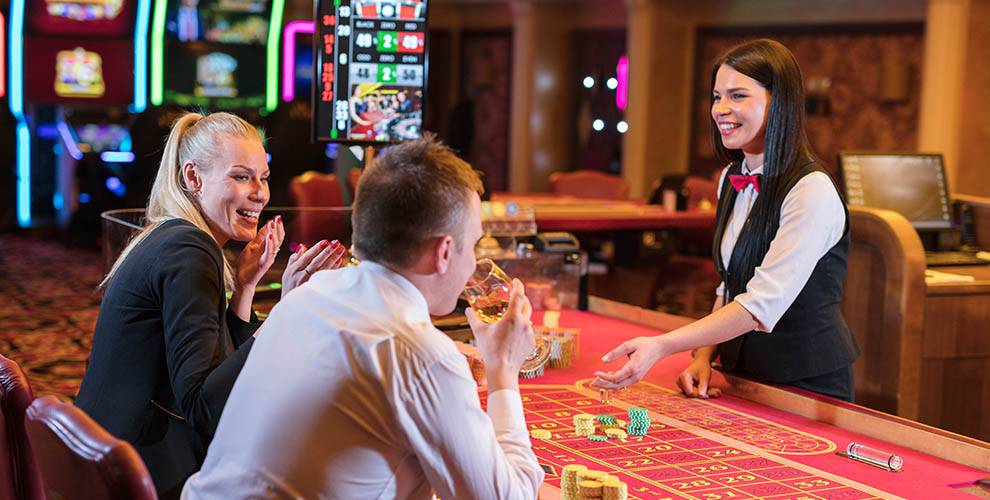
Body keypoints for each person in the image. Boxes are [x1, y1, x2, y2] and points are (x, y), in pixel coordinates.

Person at [183, 135, 544, 499]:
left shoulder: (304, 299)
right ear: (444, 252)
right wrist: (503, 371)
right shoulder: (423, 355)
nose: (473, 264)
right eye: (475, 245)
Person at [75, 111, 347, 499]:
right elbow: (208, 407)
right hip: (136, 473)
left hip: (102, 454)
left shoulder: (175, 235)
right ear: (192, 177)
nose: (260, 193)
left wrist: (246, 286)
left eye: (264, 177)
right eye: (241, 176)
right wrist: (288, 309)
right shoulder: (190, 249)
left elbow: (217, 367)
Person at [593, 39, 860, 401]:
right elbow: (730, 287)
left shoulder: (811, 191)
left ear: (778, 102)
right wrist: (705, 356)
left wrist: (661, 345)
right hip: (740, 377)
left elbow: (759, 305)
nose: (721, 109)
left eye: (737, 96)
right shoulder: (730, 180)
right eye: (717, 96)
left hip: (806, 384)